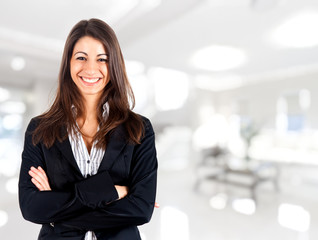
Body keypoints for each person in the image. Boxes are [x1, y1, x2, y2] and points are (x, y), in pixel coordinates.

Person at [18, 18, 158, 240]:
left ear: (114, 66)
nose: (91, 69)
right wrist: (114, 191)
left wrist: (56, 211)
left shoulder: (139, 129)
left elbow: (141, 208)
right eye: (81, 57)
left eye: (102, 59)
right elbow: (31, 207)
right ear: (68, 64)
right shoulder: (40, 129)